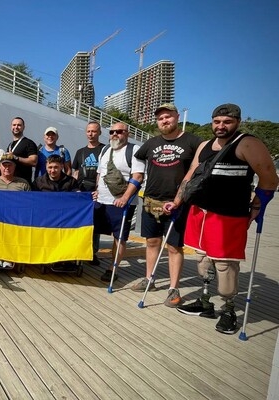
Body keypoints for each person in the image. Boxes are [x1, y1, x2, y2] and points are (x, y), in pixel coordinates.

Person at [168, 104, 278, 334]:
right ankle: (205, 302)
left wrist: (257, 205)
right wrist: (177, 201)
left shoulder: (247, 143)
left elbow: (269, 177)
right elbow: (190, 175)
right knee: (202, 260)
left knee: (225, 264)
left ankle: (229, 310)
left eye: (227, 122)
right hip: (200, 212)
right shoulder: (205, 145)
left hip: (228, 216)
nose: (221, 126)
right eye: (217, 121)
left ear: (237, 122)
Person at [132, 103, 202, 307]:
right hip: (151, 201)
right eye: (160, 118)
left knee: (174, 246)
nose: (164, 120)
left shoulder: (193, 142)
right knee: (152, 242)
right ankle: (149, 279)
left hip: (177, 203)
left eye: (168, 116)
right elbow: (136, 164)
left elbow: (200, 168)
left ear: (177, 117)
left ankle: (173, 288)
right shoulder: (151, 143)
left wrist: (183, 197)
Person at [94, 123, 145, 282]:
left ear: (127, 133)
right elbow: (100, 173)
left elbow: (138, 177)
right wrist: (97, 190)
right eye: (112, 132)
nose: (115, 134)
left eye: (119, 131)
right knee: (93, 229)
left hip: (121, 203)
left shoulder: (134, 150)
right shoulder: (105, 150)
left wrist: (124, 198)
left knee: (119, 237)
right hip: (101, 201)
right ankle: (91, 256)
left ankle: (113, 268)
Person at [72, 121, 106, 266]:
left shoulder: (105, 150)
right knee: (80, 221)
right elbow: (76, 172)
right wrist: (74, 189)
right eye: (89, 131)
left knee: (95, 222)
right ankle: (79, 249)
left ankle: (93, 252)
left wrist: (100, 190)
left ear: (99, 133)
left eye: (94, 131)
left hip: (97, 191)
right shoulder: (80, 152)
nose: (91, 134)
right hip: (82, 190)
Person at [5, 117, 38, 183]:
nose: (16, 127)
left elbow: (34, 161)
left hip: (23, 183)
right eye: (14, 125)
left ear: (23, 127)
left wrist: (15, 157)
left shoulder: (29, 143)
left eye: (19, 125)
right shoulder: (10, 145)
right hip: (10, 182)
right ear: (11, 127)